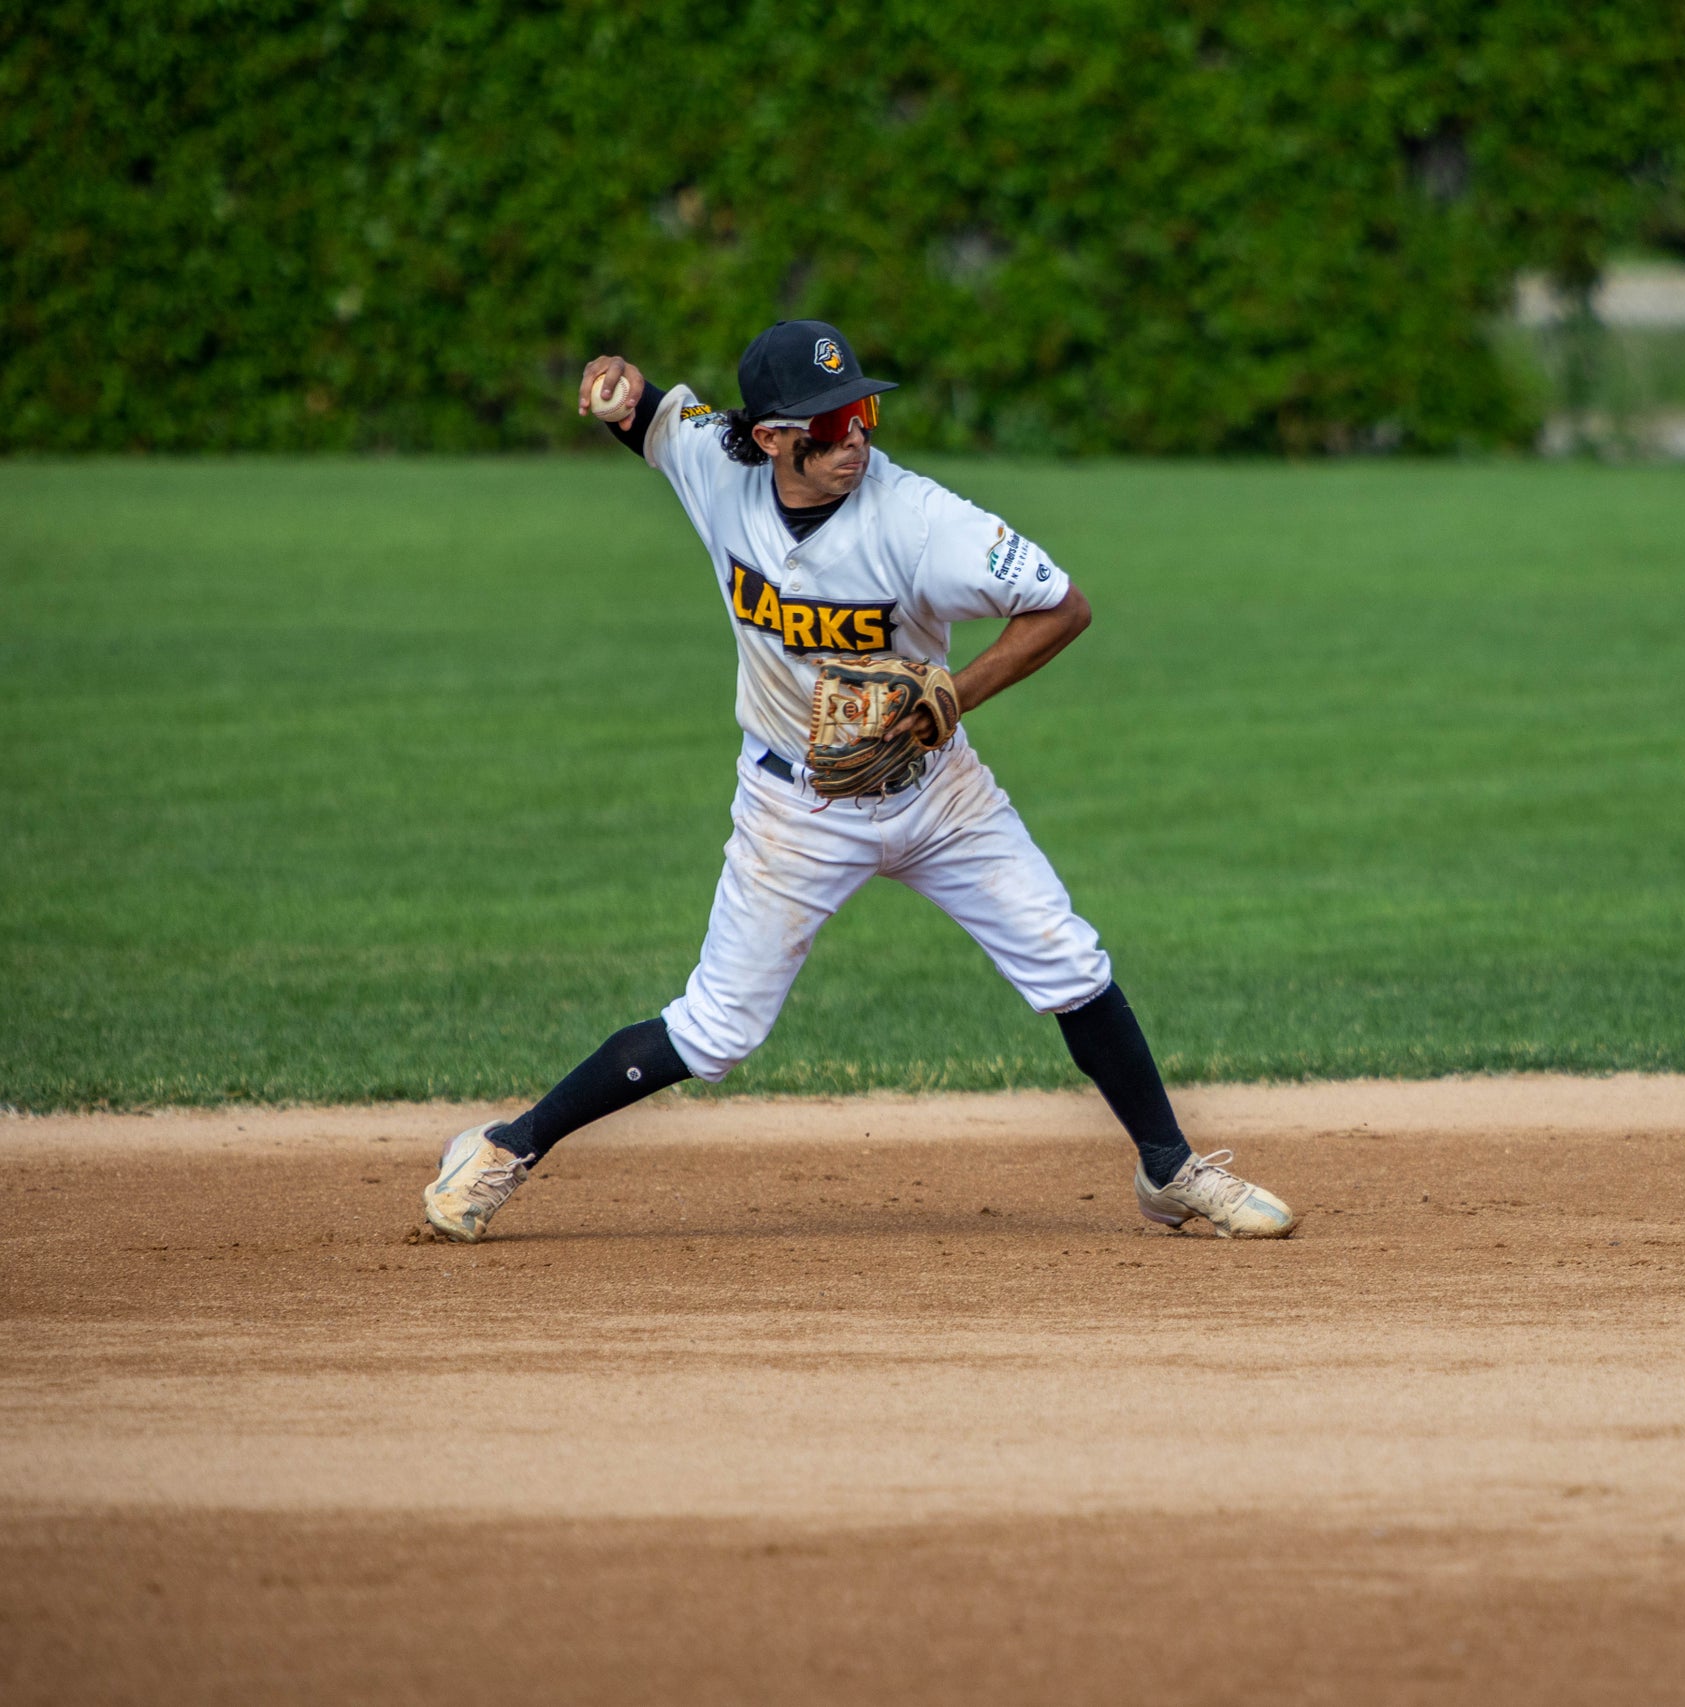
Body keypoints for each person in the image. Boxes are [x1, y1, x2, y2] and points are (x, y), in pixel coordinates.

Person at [420, 320, 1296, 1244]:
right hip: (791, 806)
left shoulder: (920, 520)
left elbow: (1061, 605)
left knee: (1069, 960)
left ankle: (1169, 1169)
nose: (855, 439)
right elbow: (650, 420)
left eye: (862, 412)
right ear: (769, 439)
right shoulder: (720, 470)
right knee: (716, 1033)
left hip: (936, 790)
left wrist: (950, 697)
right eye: (828, 426)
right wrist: (617, 389)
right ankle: (505, 1147)